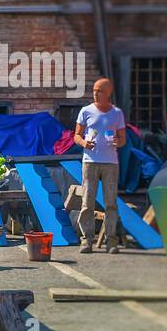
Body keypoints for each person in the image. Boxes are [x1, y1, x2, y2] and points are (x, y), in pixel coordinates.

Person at [73, 77, 127, 254]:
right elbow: (76, 135)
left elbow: (123, 139)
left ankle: (111, 241)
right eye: (94, 90)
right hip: (90, 162)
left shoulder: (117, 113)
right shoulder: (85, 111)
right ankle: (86, 240)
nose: (96, 93)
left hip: (111, 163)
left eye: (100, 90)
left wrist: (117, 143)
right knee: (87, 203)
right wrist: (84, 144)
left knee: (110, 203)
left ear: (108, 93)